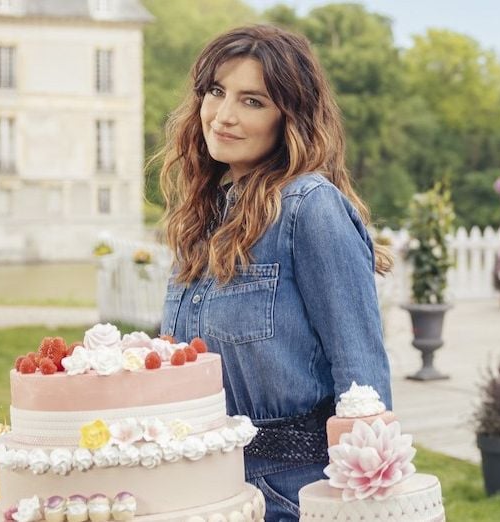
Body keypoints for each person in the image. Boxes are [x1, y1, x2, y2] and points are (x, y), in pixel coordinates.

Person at [157, 24, 393, 521]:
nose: (223, 116)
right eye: (216, 92)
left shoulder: (310, 207)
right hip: (204, 488)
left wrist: (366, 499)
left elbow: (362, 383)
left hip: (290, 495)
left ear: (291, 117)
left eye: (253, 101)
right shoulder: (202, 218)